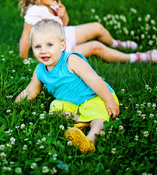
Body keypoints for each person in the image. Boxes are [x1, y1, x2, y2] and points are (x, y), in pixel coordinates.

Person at [15, 19, 120, 153]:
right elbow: (30, 91)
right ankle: (85, 121)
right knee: (54, 108)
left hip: (96, 97)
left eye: (49, 45)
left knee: (99, 118)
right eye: (37, 47)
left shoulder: (71, 60)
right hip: (74, 104)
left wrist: (109, 100)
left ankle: (89, 141)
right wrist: (14, 106)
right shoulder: (40, 70)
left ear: (62, 45)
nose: (43, 51)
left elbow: (94, 80)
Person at [18, 0, 157, 63]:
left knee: (97, 27)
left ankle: (116, 44)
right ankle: (136, 58)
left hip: (65, 35)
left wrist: (63, 13)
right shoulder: (35, 11)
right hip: (60, 50)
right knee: (95, 46)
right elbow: (26, 37)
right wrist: (24, 60)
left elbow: (64, 24)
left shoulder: (50, 4)